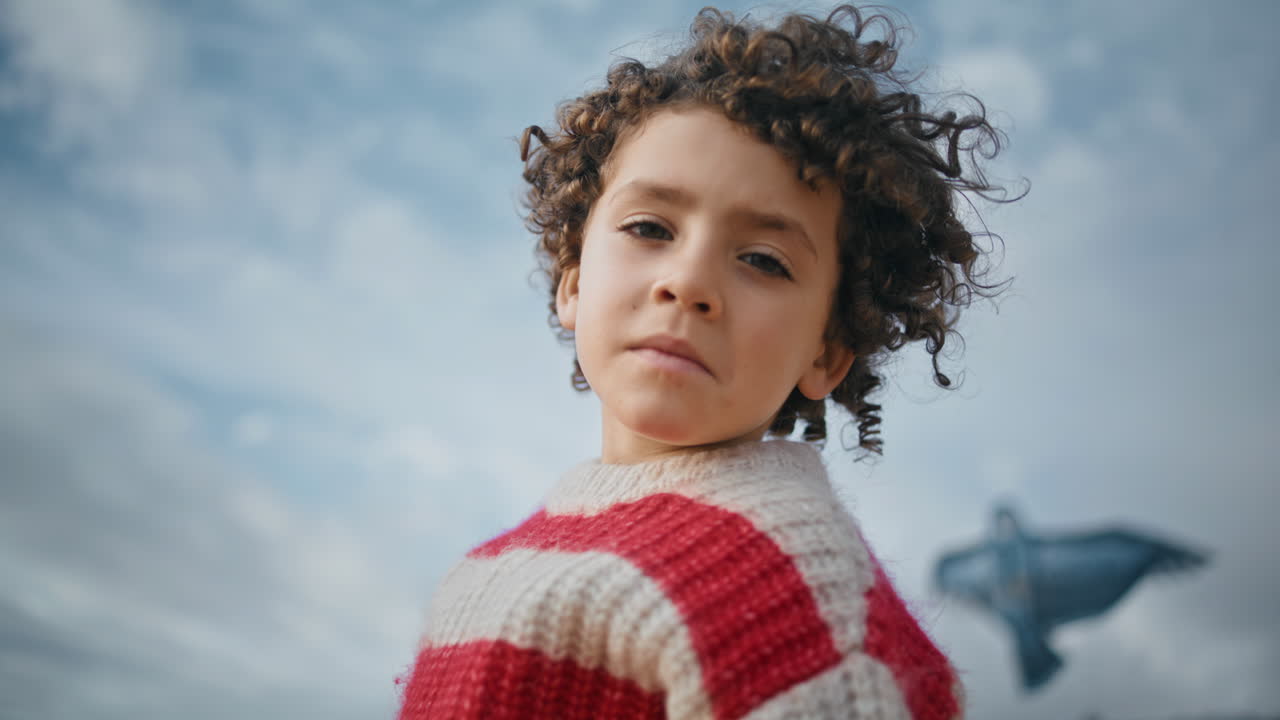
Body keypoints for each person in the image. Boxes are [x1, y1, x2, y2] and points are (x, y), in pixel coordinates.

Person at [396, 5, 1016, 718]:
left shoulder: (792, 593)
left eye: (762, 260)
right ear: (572, 280)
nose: (688, 282)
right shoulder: (483, 572)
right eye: (649, 228)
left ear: (827, 352)